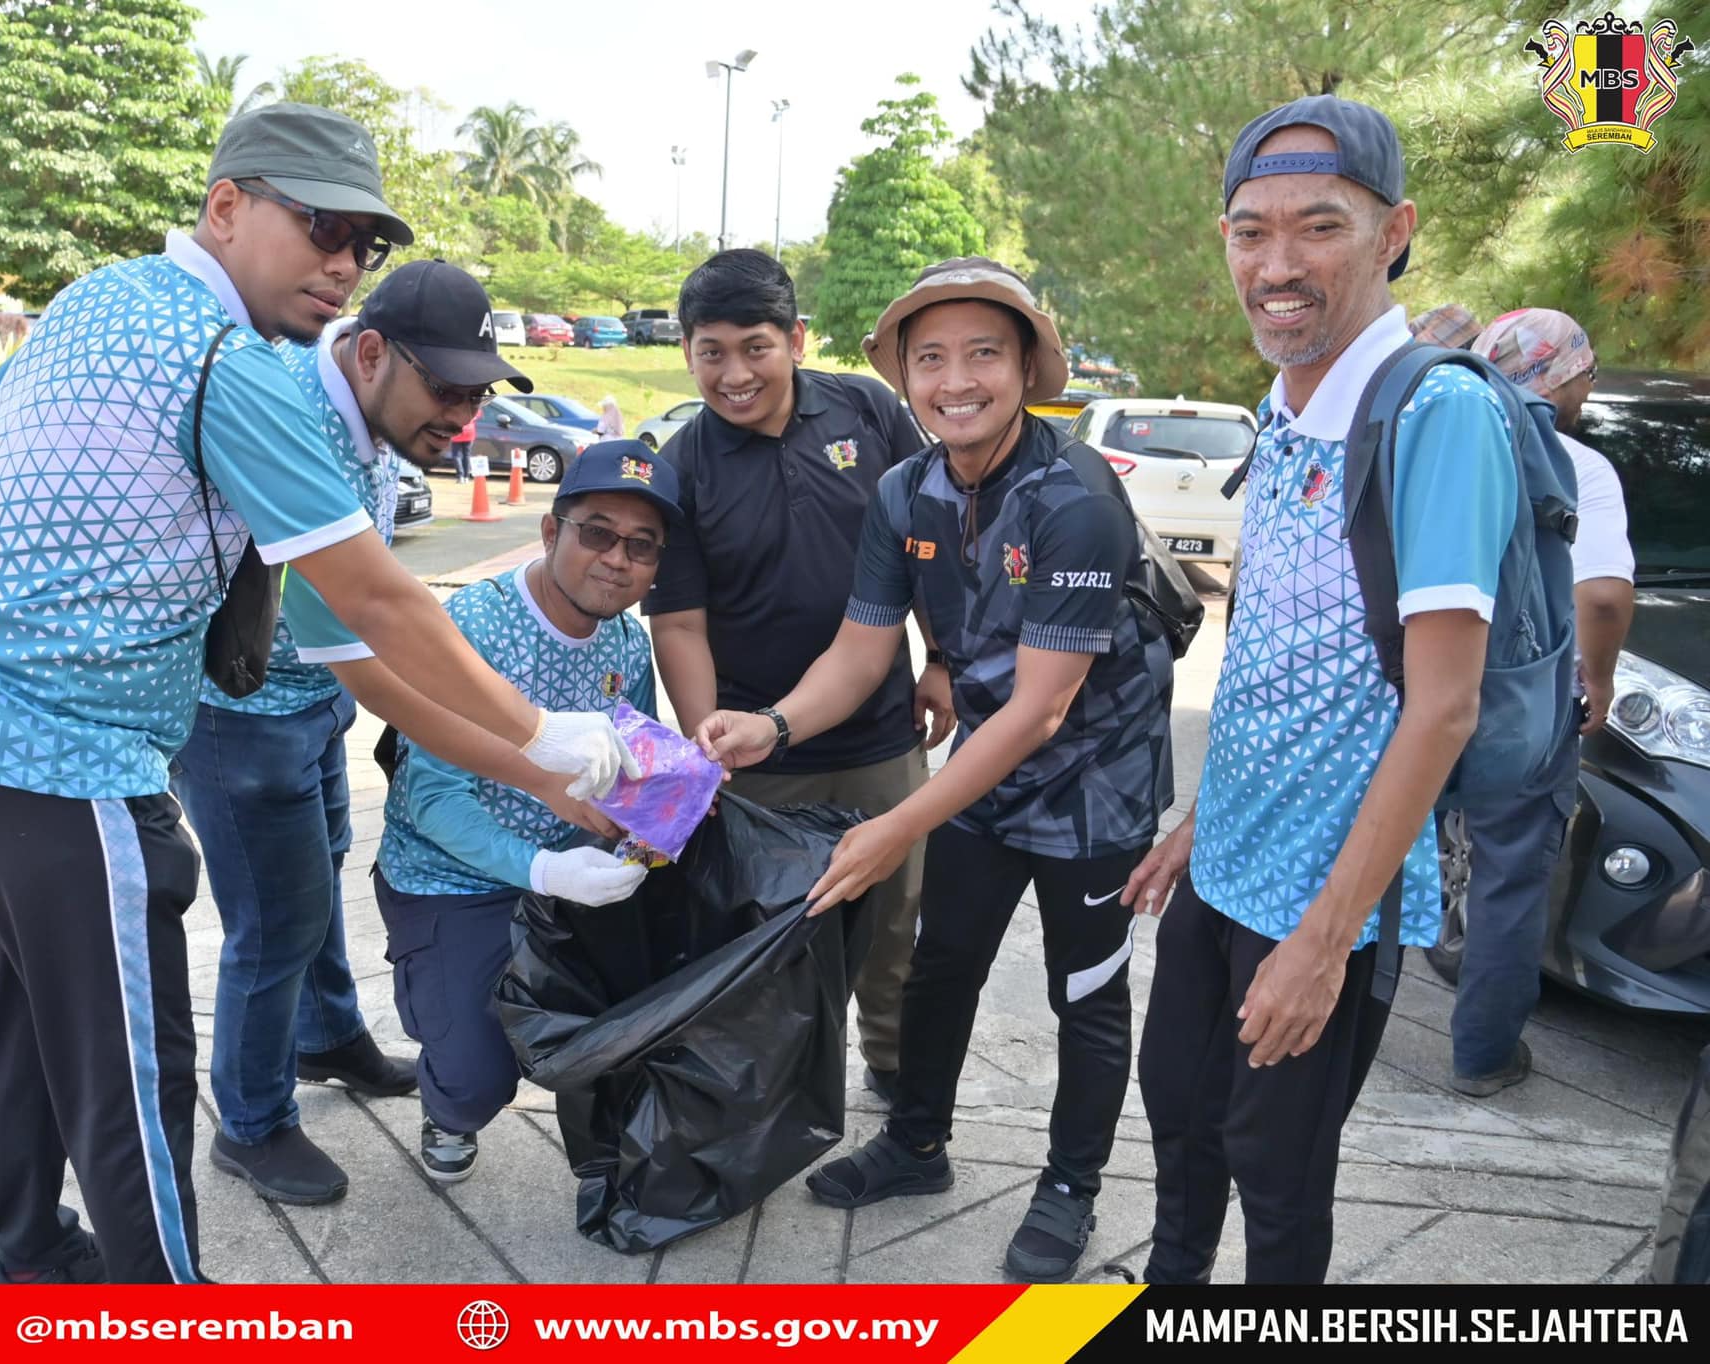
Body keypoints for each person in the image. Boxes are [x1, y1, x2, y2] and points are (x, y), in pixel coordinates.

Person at [0, 103, 634, 1284]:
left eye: (363, 246)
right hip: (63, 761)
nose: (342, 265)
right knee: (135, 1078)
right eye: (320, 228)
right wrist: (546, 733)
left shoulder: (104, 290)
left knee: (17, 1031)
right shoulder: (236, 366)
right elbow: (384, 617)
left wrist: (18, 587)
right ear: (226, 206)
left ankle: (32, 1256)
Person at [697, 258, 1176, 1282]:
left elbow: (1046, 705)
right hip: (987, 771)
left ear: (1023, 367)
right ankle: (915, 1141)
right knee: (939, 962)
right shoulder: (902, 487)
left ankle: (1069, 1185)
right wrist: (770, 727)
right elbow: (862, 647)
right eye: (930, 359)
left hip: (1097, 786)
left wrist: (898, 820)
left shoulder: (1076, 493)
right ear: (902, 377)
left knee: (1083, 989)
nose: (954, 380)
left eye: (982, 355)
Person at [1123, 95, 1520, 1285]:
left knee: (1276, 1172)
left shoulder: (1435, 412)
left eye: (1318, 227)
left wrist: (1323, 939)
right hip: (1232, 857)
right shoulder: (1283, 407)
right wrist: (1201, 817)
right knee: (1180, 1113)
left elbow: (1442, 704)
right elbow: (1270, 655)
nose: (1275, 265)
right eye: (1248, 231)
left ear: (1392, 230)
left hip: (1325, 896)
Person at [174, 256, 543, 1210]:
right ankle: (252, 1125)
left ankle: (329, 1037)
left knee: (318, 886)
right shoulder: (284, 406)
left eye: (477, 394)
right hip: (240, 720)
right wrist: (531, 749)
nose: (463, 418)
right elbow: (369, 635)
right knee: (274, 923)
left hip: (308, 705)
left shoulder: (368, 412)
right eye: (447, 390)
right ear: (372, 353)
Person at [284, 440, 676, 1182]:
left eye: (642, 546)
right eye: (597, 532)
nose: (617, 559)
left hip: (571, 875)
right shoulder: (474, 627)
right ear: (551, 531)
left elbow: (635, 766)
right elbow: (430, 797)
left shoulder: (628, 640)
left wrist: (665, 811)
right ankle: (447, 1093)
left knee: (615, 1031)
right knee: (475, 1079)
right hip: (451, 880)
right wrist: (546, 867)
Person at [645, 249, 950, 1104]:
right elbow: (678, 620)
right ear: (687, 353)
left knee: (893, 934)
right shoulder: (683, 465)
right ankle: (768, 1102)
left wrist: (943, 659)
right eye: (712, 352)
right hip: (759, 758)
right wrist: (709, 750)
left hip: (882, 740)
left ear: (797, 341)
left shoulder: (869, 410)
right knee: (769, 940)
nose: (734, 374)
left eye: (755, 347)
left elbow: (923, 545)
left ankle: (895, 1081)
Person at [1444, 307, 1632, 1095]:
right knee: (1511, 875)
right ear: (1559, 377)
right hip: (1522, 699)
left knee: (1385, 845)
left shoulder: (1444, 439)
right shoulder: (1575, 462)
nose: (1587, 391)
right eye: (1585, 374)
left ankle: (1334, 1025)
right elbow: (1602, 596)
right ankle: (1483, 1056)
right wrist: (1599, 676)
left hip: (1419, 681)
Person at [450, 408, 477, 482]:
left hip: (457, 432)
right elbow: (477, 416)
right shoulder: (474, 406)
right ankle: (466, 476)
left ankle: (460, 475)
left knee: (456, 455)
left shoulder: (454, 406)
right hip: (469, 432)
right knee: (467, 455)